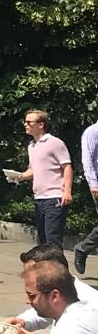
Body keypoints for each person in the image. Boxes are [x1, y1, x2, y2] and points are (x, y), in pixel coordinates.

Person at [13, 109, 73, 252]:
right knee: (42, 240)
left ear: (41, 124)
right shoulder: (32, 146)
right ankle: (47, 266)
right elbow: (34, 170)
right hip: (39, 198)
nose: (25, 125)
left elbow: (67, 167)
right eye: (25, 122)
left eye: (29, 122)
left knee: (53, 240)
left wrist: (67, 191)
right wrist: (19, 176)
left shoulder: (54, 143)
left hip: (54, 197)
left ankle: (58, 267)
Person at [73, 114, 98, 276]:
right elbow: (87, 160)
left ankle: (83, 248)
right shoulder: (92, 131)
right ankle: (82, 249)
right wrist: (93, 183)